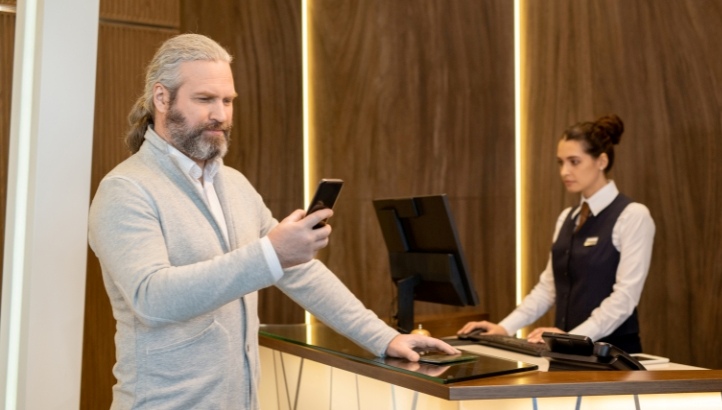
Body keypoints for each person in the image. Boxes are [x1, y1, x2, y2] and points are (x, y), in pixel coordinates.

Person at [88, 33, 457, 410]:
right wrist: (270, 254)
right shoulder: (126, 190)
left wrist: (382, 338)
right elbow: (152, 299)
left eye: (228, 100)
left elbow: (299, 272)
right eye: (205, 99)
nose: (221, 114)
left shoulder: (233, 184)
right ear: (162, 98)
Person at [458, 114, 655, 353]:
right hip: (567, 352)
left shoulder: (632, 215)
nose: (564, 171)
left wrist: (574, 337)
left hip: (613, 354)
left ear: (601, 161)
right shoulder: (567, 218)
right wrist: (504, 327)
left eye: (574, 161)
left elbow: (625, 299)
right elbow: (548, 289)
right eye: (560, 162)